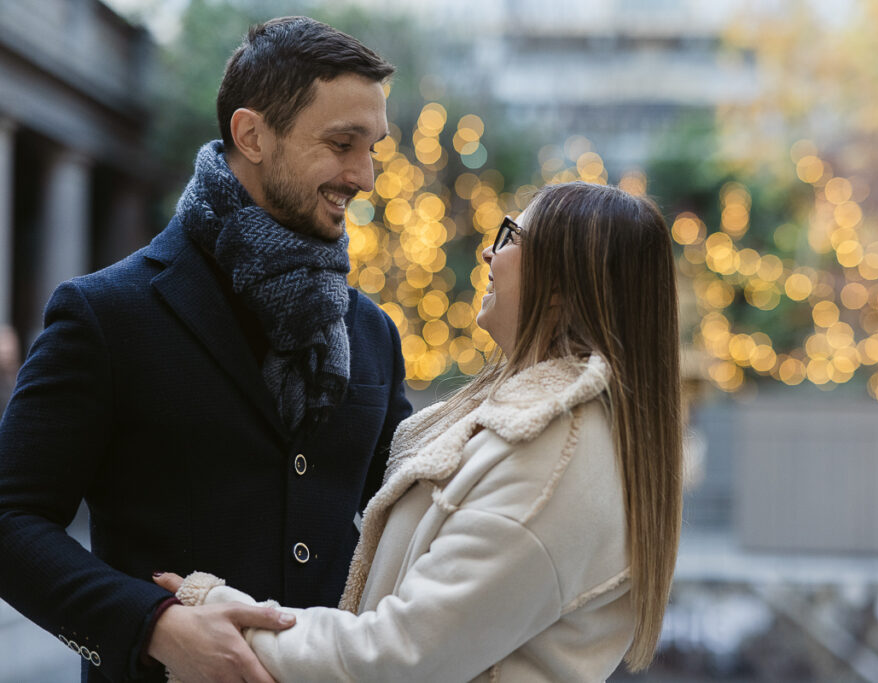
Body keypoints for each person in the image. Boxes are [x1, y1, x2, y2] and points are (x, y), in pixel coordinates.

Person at [0, 17, 412, 683]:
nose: (363, 176)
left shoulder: (372, 332)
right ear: (252, 135)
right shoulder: (106, 312)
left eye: (373, 148)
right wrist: (154, 624)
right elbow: (10, 519)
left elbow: (417, 511)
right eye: (342, 143)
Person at [156, 180, 686, 682]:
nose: (488, 253)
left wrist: (220, 617)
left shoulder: (554, 454)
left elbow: (398, 656)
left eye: (510, 237)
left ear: (560, 285)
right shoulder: (542, 433)